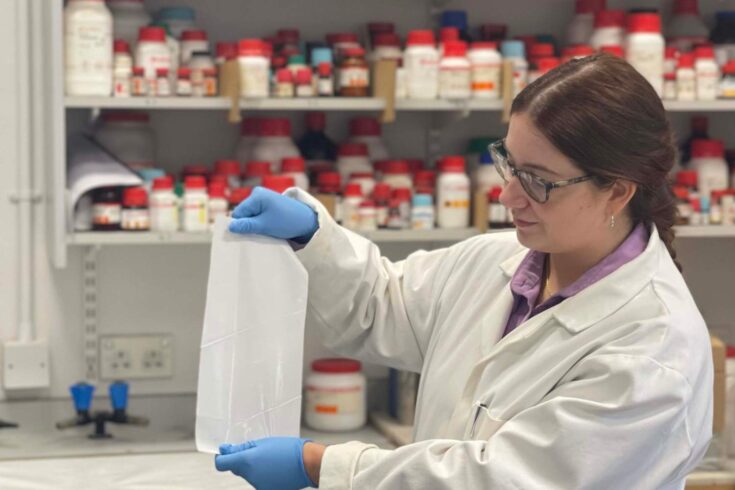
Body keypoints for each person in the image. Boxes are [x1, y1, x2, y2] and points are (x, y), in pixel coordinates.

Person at [215, 53, 713, 489]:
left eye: (538, 181)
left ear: (618, 191)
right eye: (509, 164)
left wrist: (322, 466)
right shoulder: (497, 260)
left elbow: (502, 481)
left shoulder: (653, 350)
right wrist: (314, 236)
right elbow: (383, 305)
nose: (507, 196)